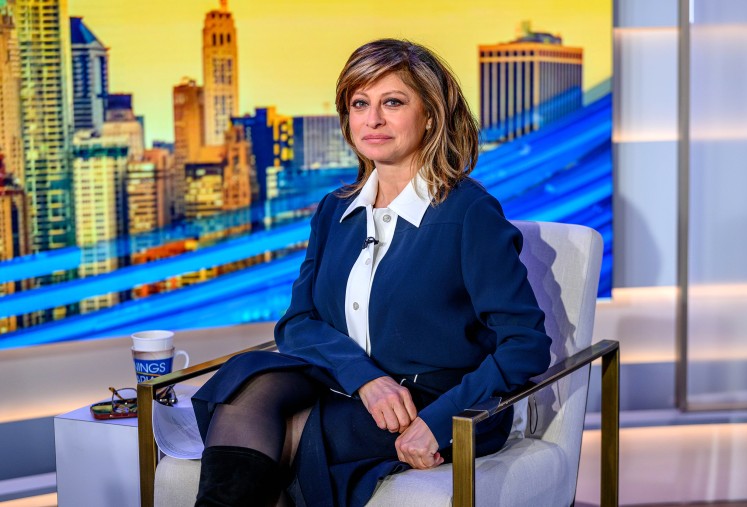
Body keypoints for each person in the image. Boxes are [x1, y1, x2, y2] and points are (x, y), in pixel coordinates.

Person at [192, 38, 552, 507]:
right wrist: (364, 378)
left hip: (438, 402)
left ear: (431, 116)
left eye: (393, 102)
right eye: (360, 103)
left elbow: (526, 344)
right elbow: (298, 323)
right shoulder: (334, 210)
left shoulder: (470, 213)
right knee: (249, 383)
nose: (373, 119)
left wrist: (438, 422)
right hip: (349, 385)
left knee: (284, 436)